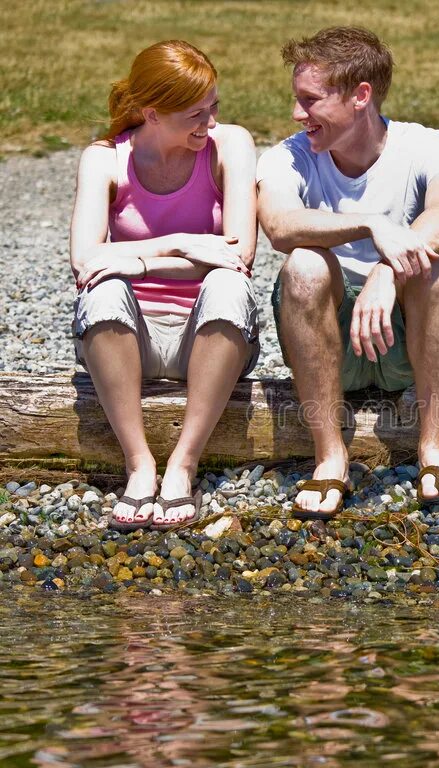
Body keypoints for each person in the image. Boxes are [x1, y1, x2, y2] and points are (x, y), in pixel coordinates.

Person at [257, 26, 439, 520]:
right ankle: (331, 457)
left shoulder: (428, 145)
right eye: (296, 100)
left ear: (361, 96)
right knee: (305, 264)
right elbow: (280, 224)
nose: (297, 114)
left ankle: (434, 449)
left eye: (310, 101)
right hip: (327, 334)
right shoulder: (288, 155)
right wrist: (372, 225)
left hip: (401, 337)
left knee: (433, 267)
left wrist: (386, 272)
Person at [70, 40, 259, 531]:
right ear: (152, 113)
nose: (210, 122)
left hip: (212, 335)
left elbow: (237, 259)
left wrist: (134, 262)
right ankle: (140, 465)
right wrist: (181, 244)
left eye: (214, 106)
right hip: (128, 337)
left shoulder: (230, 145)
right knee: (103, 291)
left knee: (228, 286)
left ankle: (183, 465)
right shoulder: (105, 159)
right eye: (196, 114)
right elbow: (85, 261)